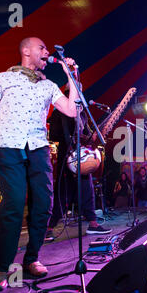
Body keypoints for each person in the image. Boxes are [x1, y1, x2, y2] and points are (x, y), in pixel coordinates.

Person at [0, 37, 79, 291]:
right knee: (13, 205)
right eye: (42, 48)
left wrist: (72, 76)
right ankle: (1, 267)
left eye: (47, 49)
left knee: (44, 205)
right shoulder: (3, 78)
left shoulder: (49, 86)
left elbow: (72, 110)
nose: (47, 52)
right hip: (9, 148)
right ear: (26, 51)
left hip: (38, 148)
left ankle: (32, 258)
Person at [45, 82, 111, 242]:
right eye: (76, 89)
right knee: (63, 193)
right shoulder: (59, 111)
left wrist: (93, 137)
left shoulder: (82, 113)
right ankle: (48, 228)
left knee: (87, 189)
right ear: (68, 91)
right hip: (67, 156)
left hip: (81, 158)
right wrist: (73, 137)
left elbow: (87, 134)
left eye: (80, 89)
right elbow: (53, 135)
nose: (79, 92)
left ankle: (93, 224)